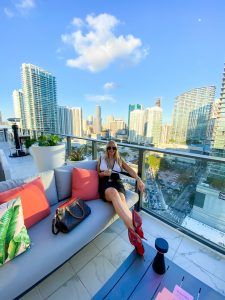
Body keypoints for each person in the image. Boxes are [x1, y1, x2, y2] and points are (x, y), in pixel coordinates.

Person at [97, 140, 146, 256]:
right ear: (106, 148)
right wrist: (104, 174)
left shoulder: (119, 160)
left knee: (122, 202)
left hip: (118, 183)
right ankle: (135, 228)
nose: (111, 151)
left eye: (114, 148)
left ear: (116, 149)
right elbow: (98, 173)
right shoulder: (101, 159)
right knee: (114, 193)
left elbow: (130, 170)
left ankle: (136, 240)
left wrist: (139, 179)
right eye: (109, 148)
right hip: (105, 184)